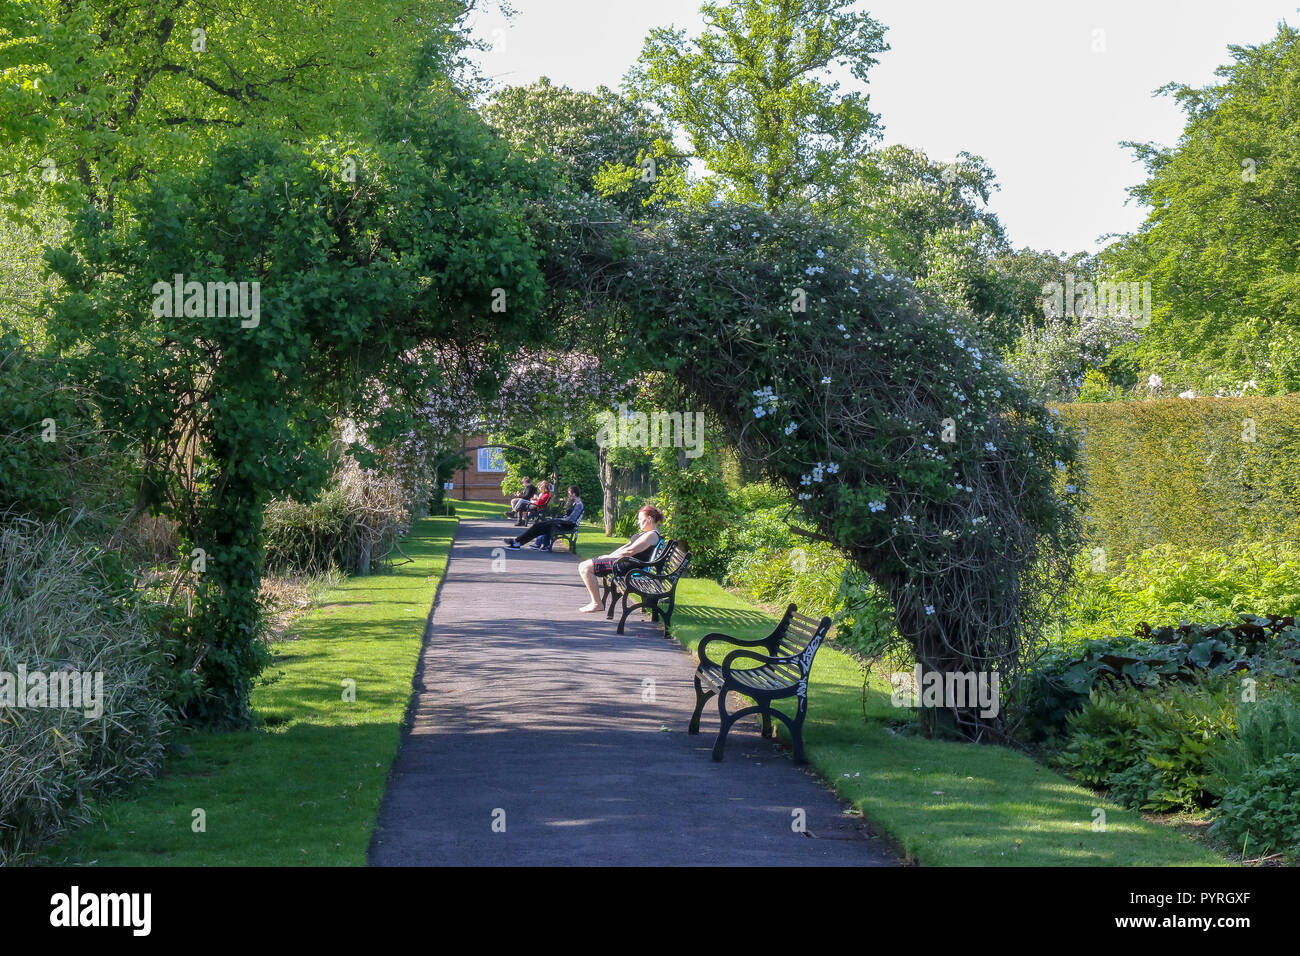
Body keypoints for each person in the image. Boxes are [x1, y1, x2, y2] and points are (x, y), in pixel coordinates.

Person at [576, 505, 663, 613]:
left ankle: (597, 603)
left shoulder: (651, 535)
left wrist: (610, 557)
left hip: (626, 565)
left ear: (649, 519)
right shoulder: (647, 534)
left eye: (641, 519)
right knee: (586, 565)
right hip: (625, 563)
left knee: (584, 567)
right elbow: (626, 547)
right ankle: (596, 602)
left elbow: (630, 551)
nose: (638, 522)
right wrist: (609, 556)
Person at [504, 486, 583, 551]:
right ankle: (517, 542)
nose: (569, 496)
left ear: (574, 494)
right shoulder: (575, 503)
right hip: (562, 523)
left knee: (538, 526)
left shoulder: (579, 505)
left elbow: (571, 520)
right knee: (537, 526)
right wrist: (557, 519)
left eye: (569, 494)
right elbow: (567, 517)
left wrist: (556, 520)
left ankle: (517, 542)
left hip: (566, 525)